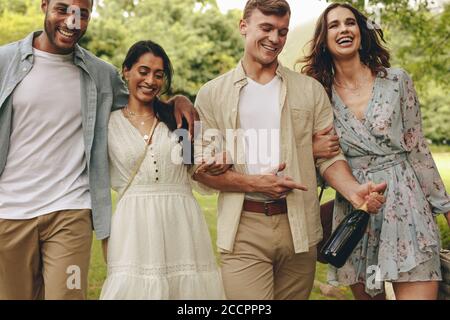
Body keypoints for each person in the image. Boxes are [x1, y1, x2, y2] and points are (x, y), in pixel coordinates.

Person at [0, 0, 195, 300]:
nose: (71, 21)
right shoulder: (5, 62)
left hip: (70, 212)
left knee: (68, 294)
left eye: (82, 13)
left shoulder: (100, 74)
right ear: (44, 5)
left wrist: (177, 100)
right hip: (9, 213)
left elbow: (141, 98)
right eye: (62, 9)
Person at [192, 0, 386, 300]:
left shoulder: (310, 91)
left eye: (282, 32)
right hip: (243, 228)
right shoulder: (211, 94)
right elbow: (200, 171)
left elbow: (330, 156)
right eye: (266, 28)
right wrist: (255, 183)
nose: (274, 39)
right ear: (244, 26)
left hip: (300, 227)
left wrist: (353, 191)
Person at [302, 3, 450, 300]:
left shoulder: (396, 80)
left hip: (407, 204)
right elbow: (321, 162)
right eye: (334, 25)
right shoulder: (318, 94)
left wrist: (445, 208)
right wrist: (310, 149)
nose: (344, 29)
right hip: (357, 210)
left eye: (350, 23)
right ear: (324, 39)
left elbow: (418, 150)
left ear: (361, 32)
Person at [99, 40, 224, 300]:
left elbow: (198, 169)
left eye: (158, 74)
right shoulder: (108, 124)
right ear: (126, 71)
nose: (150, 80)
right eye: (143, 71)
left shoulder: (178, 119)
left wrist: (216, 162)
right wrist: (104, 236)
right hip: (133, 225)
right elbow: (96, 184)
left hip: (182, 222)